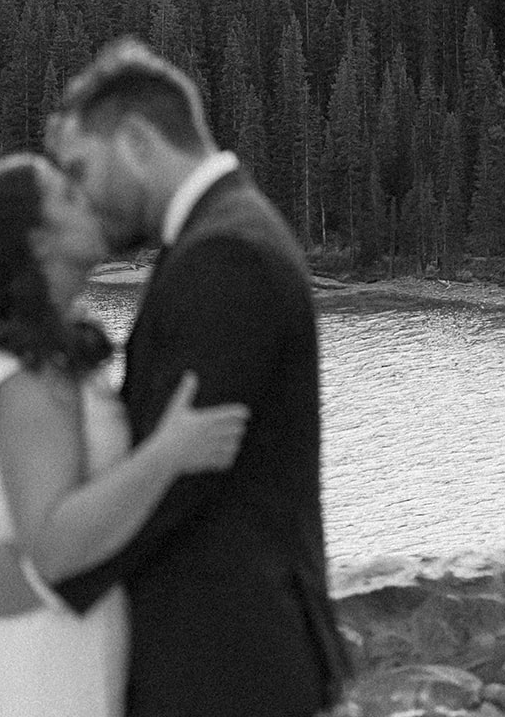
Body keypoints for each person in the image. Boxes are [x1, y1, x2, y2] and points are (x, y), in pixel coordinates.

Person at [46, 38, 352, 717]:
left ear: (135, 142)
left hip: (228, 668)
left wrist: (55, 568)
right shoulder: (220, 235)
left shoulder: (227, 255)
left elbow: (187, 478)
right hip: (224, 662)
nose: (79, 196)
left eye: (80, 169)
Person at [0, 152, 248, 717]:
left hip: (63, 647)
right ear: (39, 240)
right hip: (28, 668)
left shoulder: (53, 359)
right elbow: (51, 550)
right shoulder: (24, 380)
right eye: (67, 197)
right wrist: (167, 455)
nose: (89, 199)